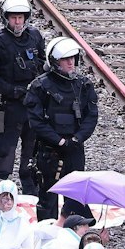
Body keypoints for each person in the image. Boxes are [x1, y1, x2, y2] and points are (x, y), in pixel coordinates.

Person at [25, 37, 99, 221]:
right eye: (65, 59)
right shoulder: (40, 86)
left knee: (76, 195)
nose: (70, 62)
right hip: (49, 151)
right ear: (55, 62)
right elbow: (36, 121)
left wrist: (77, 139)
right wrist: (58, 141)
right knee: (48, 196)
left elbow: (91, 115)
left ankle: (76, 234)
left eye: (73, 58)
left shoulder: (83, 85)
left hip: (74, 148)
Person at [0, 0, 47, 193]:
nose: (17, 22)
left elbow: (45, 64)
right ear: (5, 18)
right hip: (10, 106)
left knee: (32, 158)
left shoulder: (35, 37)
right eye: (13, 18)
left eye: (21, 17)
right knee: (3, 158)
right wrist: (12, 90)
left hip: (34, 106)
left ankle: (33, 200)